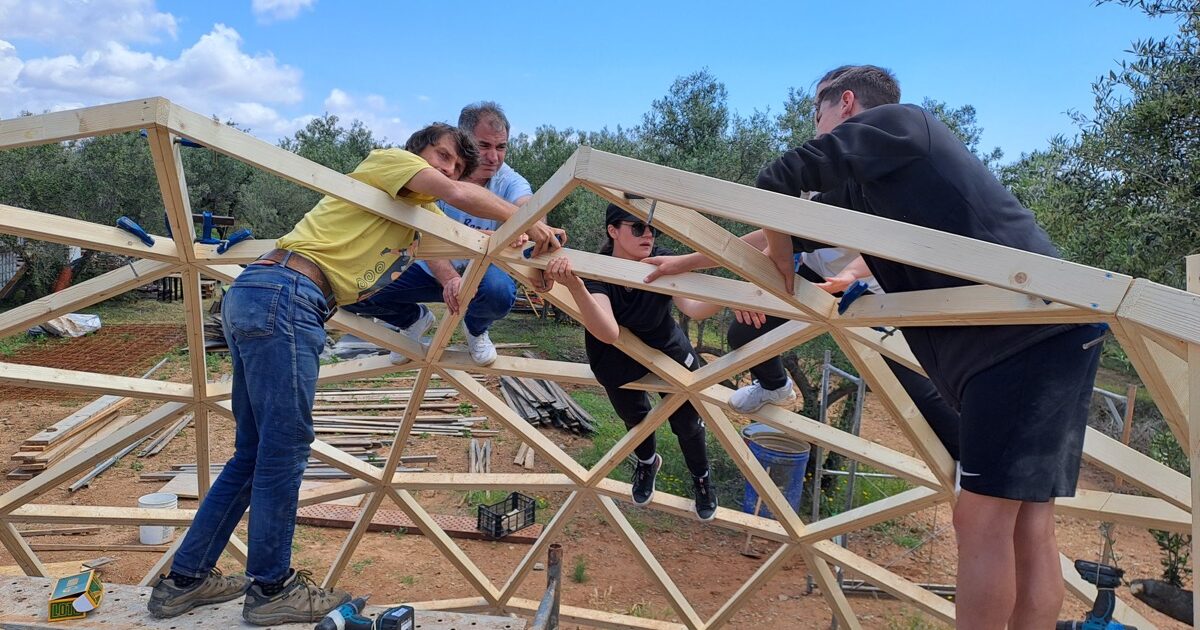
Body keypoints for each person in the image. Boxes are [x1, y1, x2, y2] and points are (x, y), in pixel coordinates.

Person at [147, 123, 565, 625]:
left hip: (264, 295)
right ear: (418, 152)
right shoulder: (390, 162)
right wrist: (531, 218)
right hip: (288, 295)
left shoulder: (415, 214)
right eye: (442, 155)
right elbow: (459, 195)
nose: (449, 169)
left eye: (457, 163)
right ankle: (272, 588)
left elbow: (470, 240)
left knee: (255, 451)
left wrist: (526, 246)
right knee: (284, 449)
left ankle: (185, 581)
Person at [754, 65, 1102, 629]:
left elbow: (777, 183)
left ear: (844, 103)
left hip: (1018, 338)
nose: (814, 125)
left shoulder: (901, 123)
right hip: (1050, 332)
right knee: (1026, 522)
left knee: (981, 521)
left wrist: (779, 261)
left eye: (814, 111)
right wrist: (688, 258)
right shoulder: (878, 183)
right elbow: (796, 225)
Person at [643, 234, 961, 460]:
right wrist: (687, 263)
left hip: (869, 285)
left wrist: (849, 275)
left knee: (912, 381)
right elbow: (761, 239)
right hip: (816, 274)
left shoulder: (868, 176)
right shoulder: (808, 181)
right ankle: (775, 386)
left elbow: (891, 242)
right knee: (744, 331)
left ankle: (969, 461)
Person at [541, 204, 724, 520]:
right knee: (635, 416)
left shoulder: (662, 260)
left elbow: (694, 308)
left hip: (667, 348)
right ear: (613, 231)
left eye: (653, 228)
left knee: (687, 422)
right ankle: (647, 460)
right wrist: (576, 286)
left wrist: (734, 290)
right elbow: (608, 331)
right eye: (638, 227)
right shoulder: (596, 269)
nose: (648, 234)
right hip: (615, 356)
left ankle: (701, 477)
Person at [344, 102, 545, 366]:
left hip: (481, 269)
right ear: (465, 141)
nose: (494, 157)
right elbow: (426, 232)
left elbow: (530, 209)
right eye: (484, 146)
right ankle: (413, 320)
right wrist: (450, 278)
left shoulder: (509, 179)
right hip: (431, 267)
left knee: (499, 291)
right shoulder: (440, 174)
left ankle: (475, 330)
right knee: (354, 291)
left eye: (501, 147)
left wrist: (529, 227)